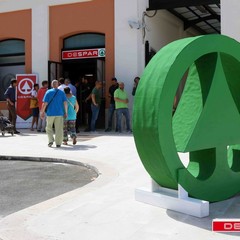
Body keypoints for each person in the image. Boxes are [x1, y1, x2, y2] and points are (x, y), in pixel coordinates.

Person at [40, 80, 68, 148]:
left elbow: (45, 103)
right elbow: (65, 103)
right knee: (59, 129)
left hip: (50, 113)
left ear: (52, 85)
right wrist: (66, 112)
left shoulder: (48, 92)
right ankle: (58, 143)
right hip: (59, 113)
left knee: (49, 128)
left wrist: (42, 112)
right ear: (58, 85)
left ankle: (50, 141)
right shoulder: (62, 93)